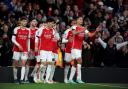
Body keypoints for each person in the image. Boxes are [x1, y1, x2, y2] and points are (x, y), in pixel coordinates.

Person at [69, 16, 101, 83]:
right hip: (74, 47)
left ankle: (70, 79)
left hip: (79, 48)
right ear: (77, 20)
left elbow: (90, 35)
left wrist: (96, 31)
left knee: (75, 63)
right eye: (80, 19)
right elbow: (74, 33)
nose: (81, 20)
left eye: (82, 19)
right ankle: (78, 79)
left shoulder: (84, 28)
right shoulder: (74, 27)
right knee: (80, 61)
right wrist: (82, 30)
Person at [35, 17, 56, 83]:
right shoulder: (41, 29)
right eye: (52, 23)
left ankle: (46, 80)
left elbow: (52, 40)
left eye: (53, 24)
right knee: (43, 64)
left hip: (50, 50)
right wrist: (36, 47)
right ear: (48, 23)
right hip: (42, 49)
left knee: (50, 64)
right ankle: (37, 76)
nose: (53, 25)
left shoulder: (53, 30)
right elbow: (37, 38)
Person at [12, 17, 30, 84]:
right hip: (16, 49)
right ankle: (15, 78)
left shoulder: (28, 30)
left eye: (26, 21)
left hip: (24, 50)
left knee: (23, 64)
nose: (25, 22)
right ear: (20, 22)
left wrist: (28, 50)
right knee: (15, 64)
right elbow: (13, 39)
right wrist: (18, 45)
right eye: (24, 21)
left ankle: (22, 79)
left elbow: (28, 41)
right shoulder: (16, 29)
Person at [24, 19, 38, 83]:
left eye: (36, 21)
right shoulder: (27, 30)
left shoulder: (38, 30)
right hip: (30, 49)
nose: (35, 22)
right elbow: (26, 40)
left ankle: (32, 74)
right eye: (33, 21)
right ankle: (26, 78)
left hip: (37, 49)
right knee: (28, 63)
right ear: (30, 22)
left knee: (40, 62)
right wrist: (28, 49)